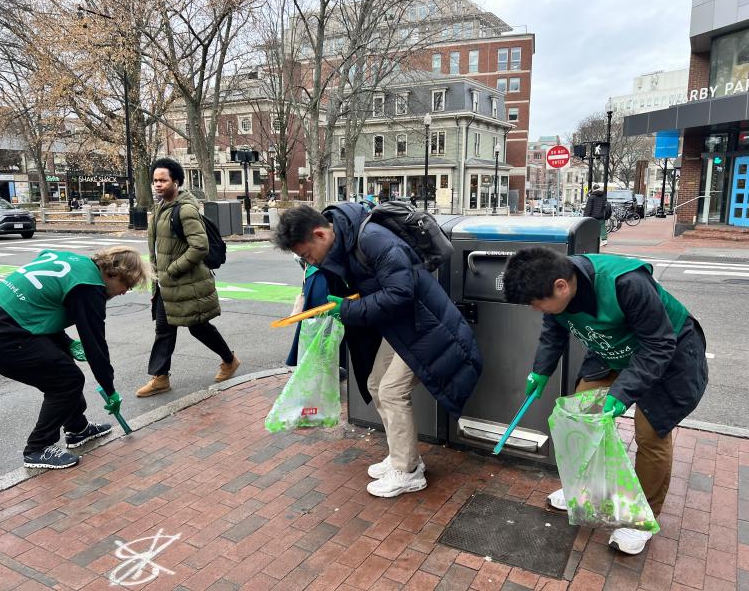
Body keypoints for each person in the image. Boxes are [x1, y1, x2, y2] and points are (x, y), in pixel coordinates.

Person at [502, 247, 708, 555]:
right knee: (580, 412)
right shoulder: (559, 293)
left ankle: (642, 519)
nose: (537, 309)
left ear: (561, 286)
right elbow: (553, 332)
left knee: (650, 433)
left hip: (667, 354)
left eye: (537, 303)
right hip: (612, 351)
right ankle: (587, 491)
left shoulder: (626, 283)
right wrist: (540, 371)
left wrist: (622, 394)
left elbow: (658, 344)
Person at [274, 204, 482, 498]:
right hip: (401, 326)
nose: (311, 262)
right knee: (375, 384)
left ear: (320, 234)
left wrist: (347, 309)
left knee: (391, 391)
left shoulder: (372, 238)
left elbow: (400, 293)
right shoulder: (343, 241)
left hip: (425, 326)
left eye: (308, 255)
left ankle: (407, 471)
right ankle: (404, 456)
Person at [0, 246, 153, 469]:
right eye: (127, 285)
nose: (124, 292)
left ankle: (77, 429)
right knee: (66, 380)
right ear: (113, 274)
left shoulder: (73, 261)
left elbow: (41, 303)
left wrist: (65, 342)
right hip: (1, 336)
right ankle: (38, 448)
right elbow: (95, 344)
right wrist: (110, 389)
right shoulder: (90, 287)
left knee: (63, 363)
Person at [136, 158, 240, 398]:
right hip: (166, 285)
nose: (158, 185)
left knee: (198, 327)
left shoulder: (185, 209)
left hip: (186, 283)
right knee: (164, 329)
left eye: (163, 180)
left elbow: (200, 247)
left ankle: (229, 360)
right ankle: (160, 377)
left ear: (177, 181)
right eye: (155, 181)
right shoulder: (162, 207)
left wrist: (172, 269)